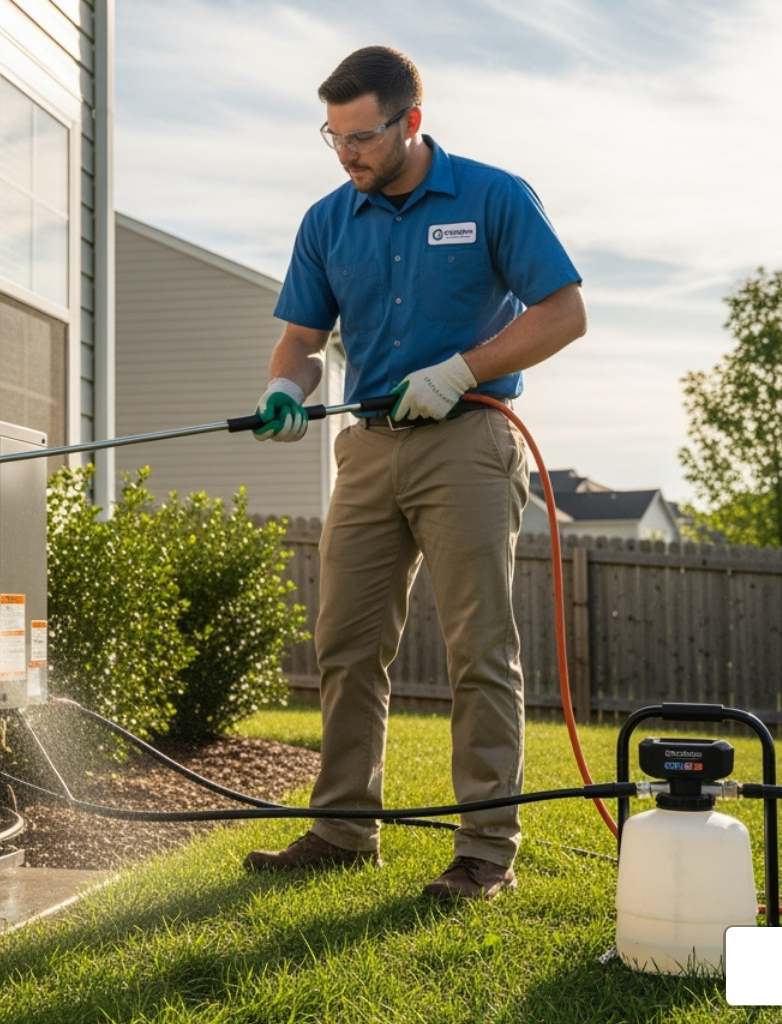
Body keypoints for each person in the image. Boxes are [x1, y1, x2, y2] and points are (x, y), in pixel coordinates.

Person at [243, 46, 586, 900]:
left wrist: (461, 370)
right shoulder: (328, 220)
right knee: (346, 645)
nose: (347, 153)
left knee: (479, 649)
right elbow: (303, 338)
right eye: (334, 136)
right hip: (365, 447)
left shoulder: (491, 197)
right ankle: (343, 829)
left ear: (410, 124)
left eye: (361, 136)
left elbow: (564, 312)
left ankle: (484, 852)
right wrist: (287, 387)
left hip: (468, 439)